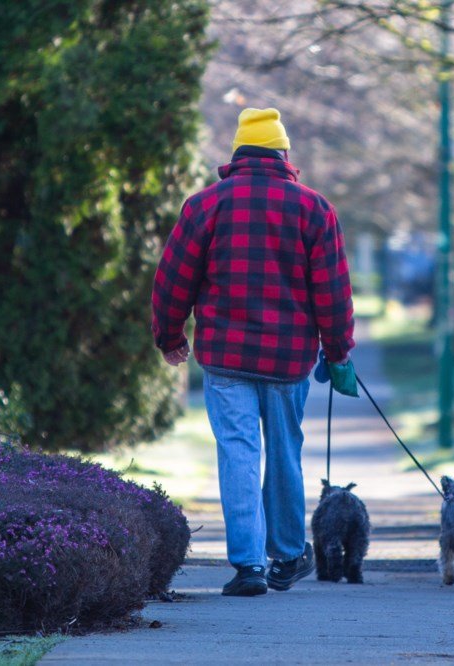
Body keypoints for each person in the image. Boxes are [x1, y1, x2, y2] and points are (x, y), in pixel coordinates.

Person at [152, 108, 357, 597]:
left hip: (224, 357)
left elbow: (173, 277)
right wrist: (338, 351)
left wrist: (170, 335)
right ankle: (286, 556)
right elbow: (331, 290)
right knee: (285, 453)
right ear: (284, 155)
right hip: (288, 360)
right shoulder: (313, 209)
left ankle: (248, 567)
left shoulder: (205, 205)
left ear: (238, 155)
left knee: (238, 454)